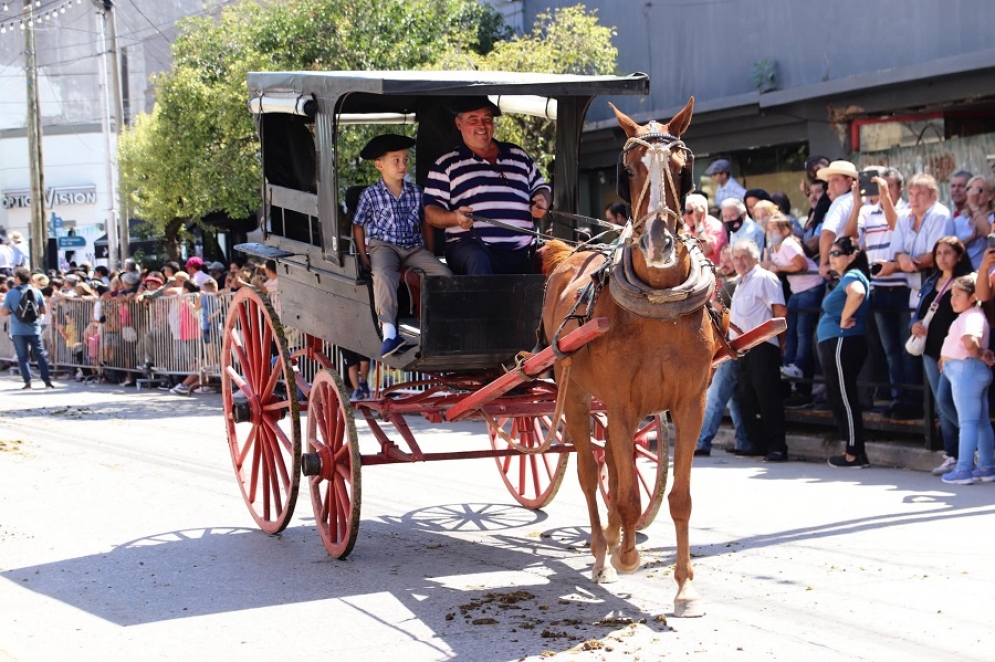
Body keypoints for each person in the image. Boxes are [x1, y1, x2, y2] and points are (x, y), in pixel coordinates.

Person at [424, 96, 551, 275]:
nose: (481, 126)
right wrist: (455, 218)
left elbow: (542, 188)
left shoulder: (518, 155)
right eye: (473, 119)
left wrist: (542, 200)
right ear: (458, 123)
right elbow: (430, 213)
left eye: (487, 119)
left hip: (523, 249)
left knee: (559, 260)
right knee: (478, 259)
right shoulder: (446, 164)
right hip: (471, 247)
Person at [355, 134, 452, 357]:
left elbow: (425, 222)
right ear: (379, 165)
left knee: (444, 273)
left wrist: (429, 250)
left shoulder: (416, 192)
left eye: (405, 160)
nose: (402, 165)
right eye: (395, 160)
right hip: (384, 246)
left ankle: (440, 325)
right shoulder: (370, 195)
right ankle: (389, 332)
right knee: (382, 274)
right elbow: (358, 225)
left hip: (413, 247)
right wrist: (363, 256)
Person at [910, 237, 973, 476]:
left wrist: (950, 351)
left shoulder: (966, 281)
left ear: (959, 255)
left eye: (948, 253)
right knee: (940, 403)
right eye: (938, 253)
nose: (942, 257)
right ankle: (954, 455)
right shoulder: (931, 281)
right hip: (930, 349)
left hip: (956, 353)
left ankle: (976, 446)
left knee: (953, 401)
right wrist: (913, 325)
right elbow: (919, 313)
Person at [729, 239, 788, 462]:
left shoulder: (765, 277)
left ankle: (777, 447)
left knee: (768, 397)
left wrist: (782, 343)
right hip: (742, 347)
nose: (739, 261)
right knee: (747, 397)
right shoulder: (740, 282)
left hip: (763, 345)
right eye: (736, 257)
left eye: (744, 256)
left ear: (755, 258)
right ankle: (759, 444)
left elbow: (780, 310)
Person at [937, 274, 995, 484]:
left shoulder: (971, 316)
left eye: (958, 294)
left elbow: (970, 342)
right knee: (980, 422)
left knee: (968, 423)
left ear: (972, 297)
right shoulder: (972, 315)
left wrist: (980, 353)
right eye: (952, 294)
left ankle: (963, 469)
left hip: (966, 371)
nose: (953, 299)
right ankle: (987, 466)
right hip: (969, 370)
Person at [820, 236, 872, 468]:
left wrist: (844, 317)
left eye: (837, 253)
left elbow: (858, 292)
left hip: (843, 340)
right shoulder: (843, 278)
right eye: (830, 253)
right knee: (839, 395)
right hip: (837, 341)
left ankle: (854, 453)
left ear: (852, 256)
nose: (832, 258)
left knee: (846, 396)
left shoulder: (853, 275)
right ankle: (852, 448)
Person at [762, 215, 823, 408]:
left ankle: (798, 366)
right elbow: (766, 266)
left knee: (802, 330)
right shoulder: (774, 247)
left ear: (785, 230)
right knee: (792, 329)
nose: (771, 233)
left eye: (775, 230)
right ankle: (790, 365)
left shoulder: (789, 243)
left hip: (810, 287)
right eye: (768, 230)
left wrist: (779, 268)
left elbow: (801, 264)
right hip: (797, 290)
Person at [694, 245, 750, 456]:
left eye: (730, 260)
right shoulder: (729, 284)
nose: (725, 264)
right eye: (724, 260)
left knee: (715, 396)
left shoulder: (732, 285)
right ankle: (744, 441)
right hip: (729, 347)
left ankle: (701, 442)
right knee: (733, 399)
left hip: (729, 347)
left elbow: (714, 311)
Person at [1, 267, 55, 389]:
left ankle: (28, 381)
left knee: (22, 356)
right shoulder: (37, 292)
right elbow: (43, 310)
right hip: (35, 328)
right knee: (40, 355)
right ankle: (46, 380)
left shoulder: (12, 293)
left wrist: (14, 312)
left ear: (19, 278)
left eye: (15, 277)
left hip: (17, 329)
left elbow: (4, 312)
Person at [815, 160, 859, 279]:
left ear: (849, 181)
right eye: (829, 181)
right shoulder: (864, 200)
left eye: (836, 180)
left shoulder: (840, 202)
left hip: (844, 269)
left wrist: (824, 263)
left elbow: (828, 233)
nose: (830, 185)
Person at [954, 175, 993, 268]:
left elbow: (988, 232)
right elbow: (951, 248)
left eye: (979, 190)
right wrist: (971, 238)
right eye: (970, 189)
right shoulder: (959, 221)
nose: (973, 194)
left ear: (990, 196)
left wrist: (974, 206)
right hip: (963, 275)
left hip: (986, 274)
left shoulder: (992, 218)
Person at [683, 193, 725, 259]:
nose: (686, 216)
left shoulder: (716, 226)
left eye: (690, 212)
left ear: (702, 210)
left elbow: (704, 251)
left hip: (713, 268)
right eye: (684, 212)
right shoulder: (685, 228)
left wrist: (698, 222)